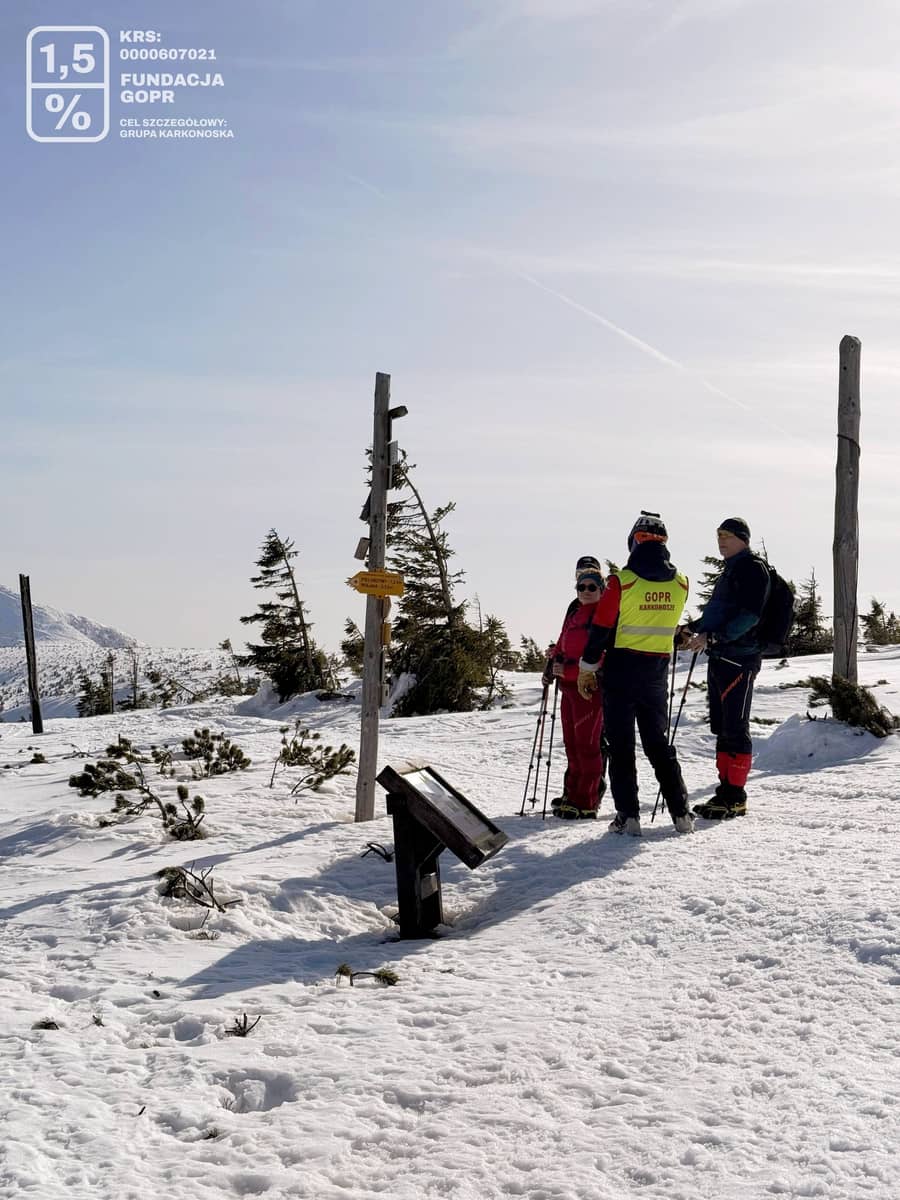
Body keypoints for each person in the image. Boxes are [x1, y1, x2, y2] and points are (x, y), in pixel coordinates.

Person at [577, 513, 693, 836]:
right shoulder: (681, 582)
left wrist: (587, 668)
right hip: (656, 673)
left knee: (622, 746)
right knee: (658, 744)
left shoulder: (622, 581)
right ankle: (681, 813)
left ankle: (628, 817)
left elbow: (601, 628)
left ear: (634, 541)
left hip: (621, 670)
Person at [679, 517, 769, 820]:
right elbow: (718, 614)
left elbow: (750, 616)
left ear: (743, 539)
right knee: (722, 726)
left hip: (740, 658)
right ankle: (725, 792)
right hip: (721, 656)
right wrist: (692, 629)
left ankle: (735, 796)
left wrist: (714, 637)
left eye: (727, 535)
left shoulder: (752, 569)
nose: (721, 540)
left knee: (735, 727)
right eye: (718, 535)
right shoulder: (731, 570)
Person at [542, 556, 607, 819]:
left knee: (587, 746)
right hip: (568, 688)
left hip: (588, 689)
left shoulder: (603, 615)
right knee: (572, 744)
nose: (586, 591)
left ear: (601, 589)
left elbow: (602, 656)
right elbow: (562, 643)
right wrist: (554, 662)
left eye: (592, 586)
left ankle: (587, 801)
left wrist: (567, 669)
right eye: (581, 586)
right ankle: (572, 795)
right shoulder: (575, 611)